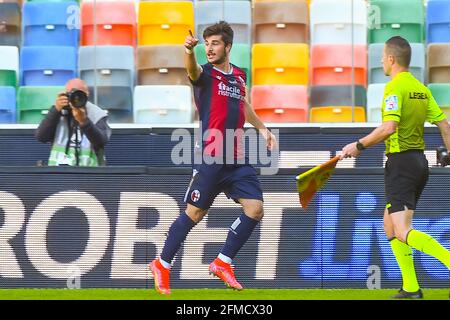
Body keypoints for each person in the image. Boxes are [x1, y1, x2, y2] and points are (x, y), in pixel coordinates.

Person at [148, 21, 277, 295]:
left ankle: (222, 261)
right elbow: (191, 71)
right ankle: (162, 264)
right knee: (194, 214)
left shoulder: (240, 76)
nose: (209, 48)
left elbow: (243, 105)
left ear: (228, 46)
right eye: (206, 44)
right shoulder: (205, 74)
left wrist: (263, 128)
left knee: (255, 208)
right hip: (211, 156)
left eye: (214, 43)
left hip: (237, 158)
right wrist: (188, 52)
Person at [340, 36, 450, 299]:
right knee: (389, 225)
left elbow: (389, 127)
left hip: (400, 162)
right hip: (419, 163)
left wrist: (359, 145)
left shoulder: (394, 88)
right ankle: (411, 287)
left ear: (390, 59)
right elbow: (445, 125)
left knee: (402, 230)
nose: (380, 61)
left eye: (382, 57)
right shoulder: (422, 90)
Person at [35, 78, 111, 166]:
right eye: (71, 94)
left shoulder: (97, 113)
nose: (75, 98)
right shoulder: (58, 112)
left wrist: (84, 121)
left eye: (79, 93)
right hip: (59, 172)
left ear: (87, 94)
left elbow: (101, 142)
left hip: (90, 173)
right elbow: (41, 137)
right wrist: (55, 110)